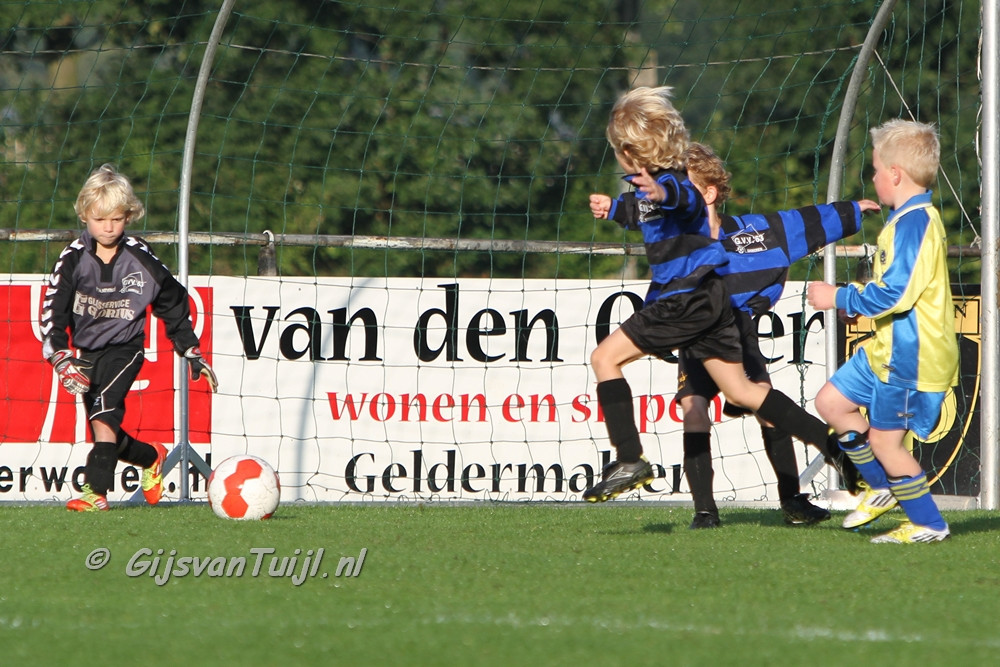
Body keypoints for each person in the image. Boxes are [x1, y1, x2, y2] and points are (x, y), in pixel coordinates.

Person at [583, 86, 854, 505]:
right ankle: (836, 449)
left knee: (604, 359)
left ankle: (630, 459)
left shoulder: (673, 183)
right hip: (711, 299)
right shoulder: (652, 187)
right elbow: (645, 211)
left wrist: (662, 193)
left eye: (618, 150)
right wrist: (614, 209)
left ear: (630, 152)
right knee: (743, 392)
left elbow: (681, 200)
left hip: (682, 300)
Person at [678, 142, 875, 529]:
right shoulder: (677, 237)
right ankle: (705, 512)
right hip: (695, 330)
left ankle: (793, 500)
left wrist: (850, 211)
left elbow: (800, 224)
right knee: (694, 410)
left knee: (766, 407)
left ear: (709, 193)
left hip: (736, 326)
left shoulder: (753, 233)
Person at [807, 120, 958, 543]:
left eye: (875, 170)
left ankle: (930, 524)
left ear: (894, 174)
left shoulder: (915, 223)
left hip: (913, 357)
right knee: (831, 402)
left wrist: (838, 296)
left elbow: (897, 294)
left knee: (886, 444)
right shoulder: (904, 219)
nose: (872, 178)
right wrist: (855, 303)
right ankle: (880, 486)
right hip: (887, 349)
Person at [40, 163, 218, 512]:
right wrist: (60, 356)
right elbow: (53, 312)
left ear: (129, 216)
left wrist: (190, 348)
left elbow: (172, 300)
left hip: (127, 347)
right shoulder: (73, 259)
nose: (108, 227)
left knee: (105, 413)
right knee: (104, 429)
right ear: (84, 216)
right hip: (86, 352)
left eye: (117, 219)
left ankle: (95, 493)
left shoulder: (139, 256)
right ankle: (152, 457)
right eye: (99, 219)